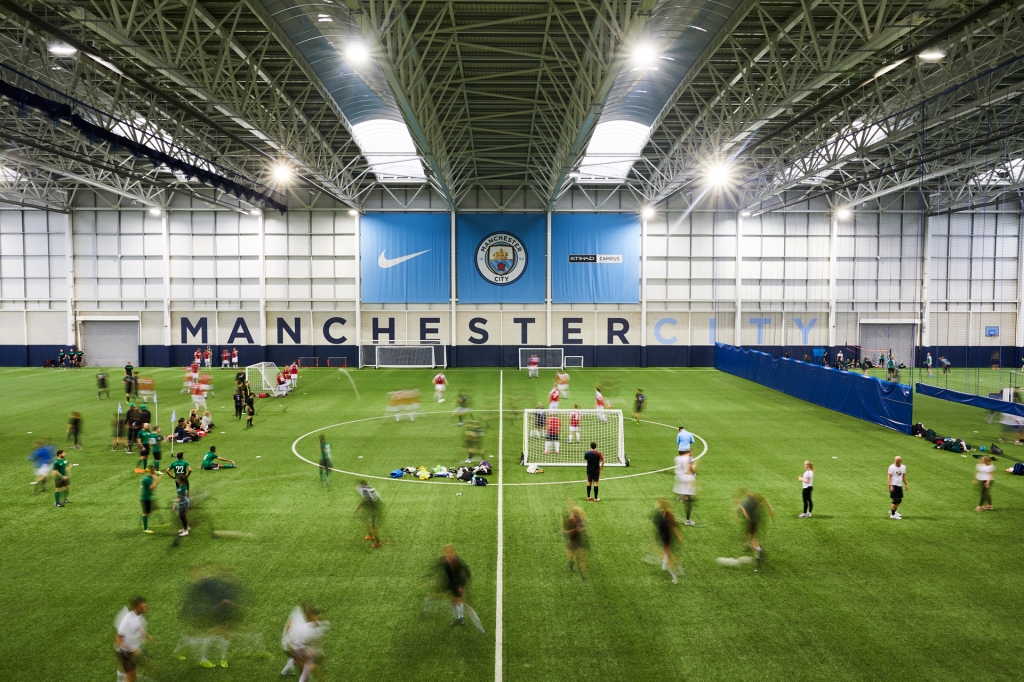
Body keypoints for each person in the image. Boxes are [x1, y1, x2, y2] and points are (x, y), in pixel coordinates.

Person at [437, 545, 483, 631]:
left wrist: (461, 586)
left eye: (450, 552)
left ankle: (462, 618)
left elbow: (466, 572)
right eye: (447, 552)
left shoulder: (457, 562)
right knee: (454, 602)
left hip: (459, 583)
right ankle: (459, 617)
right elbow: (442, 570)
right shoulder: (444, 561)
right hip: (451, 583)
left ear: (453, 552)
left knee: (460, 601)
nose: (448, 554)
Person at [279, 604, 329, 680]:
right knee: (307, 666)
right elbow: (308, 644)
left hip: (290, 643)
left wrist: (287, 636)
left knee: (304, 663)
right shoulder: (308, 630)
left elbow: (289, 624)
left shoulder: (298, 613)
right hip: (292, 646)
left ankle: (285, 671)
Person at [115, 597, 152, 682]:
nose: (145, 609)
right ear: (135, 608)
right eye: (142, 607)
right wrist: (132, 650)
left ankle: (120, 678)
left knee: (127, 670)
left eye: (145, 606)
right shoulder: (127, 620)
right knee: (132, 676)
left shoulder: (138, 616)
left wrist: (147, 636)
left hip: (132, 650)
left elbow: (139, 628)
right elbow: (118, 640)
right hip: (125, 651)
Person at [738, 490, 774, 566]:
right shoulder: (753, 498)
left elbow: (743, 510)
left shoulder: (745, 504)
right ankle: (747, 545)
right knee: (749, 534)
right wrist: (771, 510)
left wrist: (748, 519)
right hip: (755, 518)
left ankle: (758, 556)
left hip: (752, 520)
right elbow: (765, 500)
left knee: (753, 538)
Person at [652, 499, 682, 583]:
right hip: (668, 537)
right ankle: (664, 565)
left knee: (670, 557)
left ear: (659, 506)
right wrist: (679, 537)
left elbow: (656, 525)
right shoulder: (669, 514)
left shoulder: (658, 515)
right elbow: (674, 527)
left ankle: (675, 578)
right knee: (667, 553)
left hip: (664, 537)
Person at [562, 501, 588, 578]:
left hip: (578, 539)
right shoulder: (568, 518)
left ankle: (583, 574)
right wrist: (572, 530)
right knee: (571, 554)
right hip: (571, 539)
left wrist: (579, 530)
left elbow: (584, 527)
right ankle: (571, 566)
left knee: (580, 556)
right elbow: (564, 530)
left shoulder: (578, 516)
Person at [355, 480, 382, 548]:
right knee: (365, 520)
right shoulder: (369, 488)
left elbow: (365, 500)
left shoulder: (364, 490)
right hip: (373, 507)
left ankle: (378, 543)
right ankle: (370, 535)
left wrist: (358, 508)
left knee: (373, 527)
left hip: (374, 508)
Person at [673, 458, 696, 525]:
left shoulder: (683, 470)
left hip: (682, 489)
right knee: (689, 505)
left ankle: (681, 496)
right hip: (686, 490)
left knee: (687, 503)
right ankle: (688, 521)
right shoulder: (689, 472)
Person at [140, 465, 162, 533]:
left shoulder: (148, 478)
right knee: (146, 513)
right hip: (146, 498)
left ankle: (144, 525)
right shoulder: (147, 479)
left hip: (147, 497)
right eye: (153, 470)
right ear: (151, 471)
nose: (155, 472)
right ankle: (145, 528)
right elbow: (152, 488)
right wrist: (156, 480)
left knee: (147, 512)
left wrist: (156, 479)